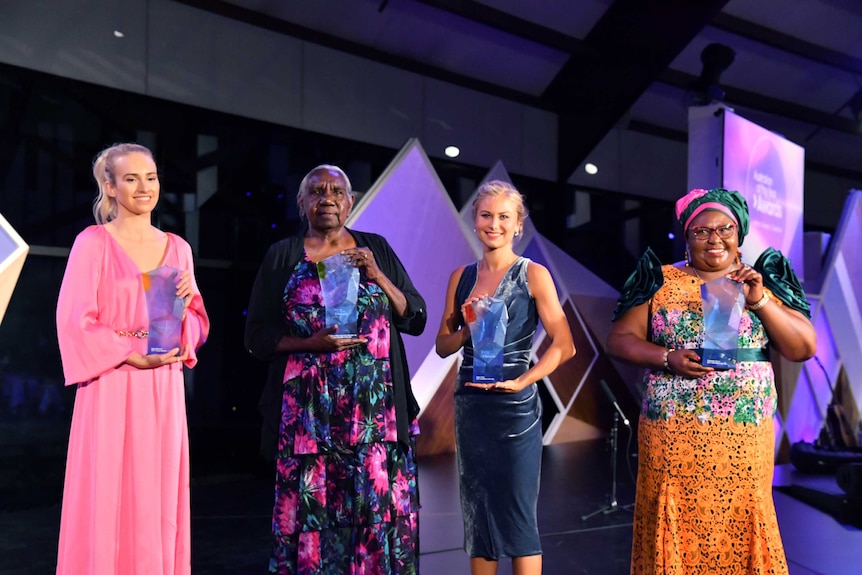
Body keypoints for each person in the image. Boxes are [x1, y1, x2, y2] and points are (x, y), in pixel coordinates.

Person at [606, 187, 816, 575]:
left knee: (742, 516)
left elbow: (802, 348)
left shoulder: (764, 281)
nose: (714, 238)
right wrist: (666, 357)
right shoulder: (658, 280)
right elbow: (619, 340)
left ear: (740, 234)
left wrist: (759, 300)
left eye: (725, 229)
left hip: (742, 434)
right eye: (701, 231)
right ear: (686, 236)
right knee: (677, 517)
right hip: (674, 431)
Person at [244, 164, 426, 575]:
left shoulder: (374, 247)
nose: (327, 198)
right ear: (302, 203)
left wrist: (377, 274)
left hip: (374, 417)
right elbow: (256, 336)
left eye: (336, 191)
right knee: (315, 519)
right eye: (316, 191)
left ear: (350, 201)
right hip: (309, 418)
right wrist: (311, 344)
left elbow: (415, 317)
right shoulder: (284, 255)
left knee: (372, 516)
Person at [55, 143, 210, 574]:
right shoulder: (93, 243)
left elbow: (195, 324)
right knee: (108, 493)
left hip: (162, 386)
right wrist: (128, 352)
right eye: (131, 178)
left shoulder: (178, 248)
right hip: (112, 381)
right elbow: (74, 321)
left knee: (156, 496)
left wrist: (186, 312)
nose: (144, 187)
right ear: (110, 185)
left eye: (151, 177)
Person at [435, 180, 575, 575]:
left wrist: (523, 381)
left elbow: (565, 346)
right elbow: (444, 346)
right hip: (472, 405)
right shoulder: (460, 277)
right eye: (486, 215)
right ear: (475, 220)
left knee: (516, 513)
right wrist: (468, 329)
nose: (493, 223)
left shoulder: (533, 274)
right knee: (479, 510)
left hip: (514, 406)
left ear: (518, 225)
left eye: (503, 217)